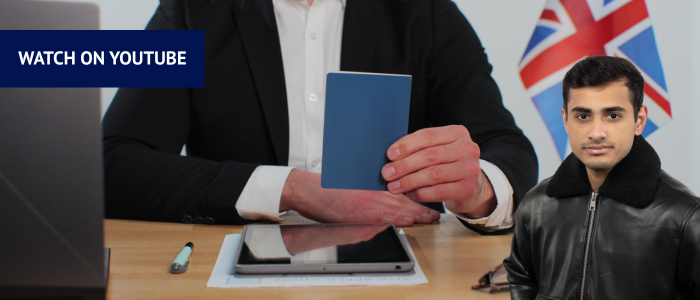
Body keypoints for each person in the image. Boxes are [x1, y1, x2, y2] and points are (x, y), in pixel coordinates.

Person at [102, 0, 537, 234]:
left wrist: (477, 186)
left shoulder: (422, 10)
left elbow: (506, 147)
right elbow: (111, 164)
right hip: (233, 266)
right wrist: (291, 188)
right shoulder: (192, 11)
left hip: (401, 266)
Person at [504, 56, 699, 299]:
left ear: (638, 120)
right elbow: (521, 275)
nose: (596, 133)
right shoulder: (536, 205)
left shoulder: (686, 216)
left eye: (613, 116)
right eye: (583, 116)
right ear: (566, 119)